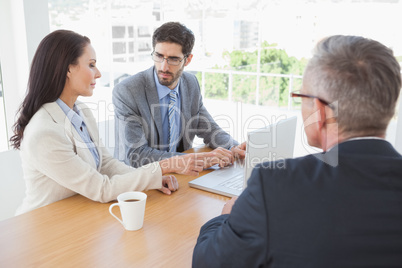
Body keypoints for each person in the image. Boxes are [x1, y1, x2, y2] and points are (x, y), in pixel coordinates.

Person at [192, 35, 402, 267]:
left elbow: (207, 262)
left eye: (302, 97)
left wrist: (225, 218)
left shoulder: (274, 186)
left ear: (320, 112)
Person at [10, 30, 180, 215]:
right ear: (68, 69)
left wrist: (152, 179)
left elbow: (106, 164)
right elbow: (101, 188)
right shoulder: (44, 132)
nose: (98, 74)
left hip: (78, 217)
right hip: (45, 229)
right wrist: (161, 168)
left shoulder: (81, 110)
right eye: (91, 65)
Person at [113, 22, 246, 175]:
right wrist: (197, 159)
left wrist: (233, 148)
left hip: (178, 178)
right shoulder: (128, 91)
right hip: (141, 180)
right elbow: (136, 156)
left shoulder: (190, 83)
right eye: (159, 56)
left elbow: (209, 129)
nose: (163, 67)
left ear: (187, 60)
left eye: (173, 59)